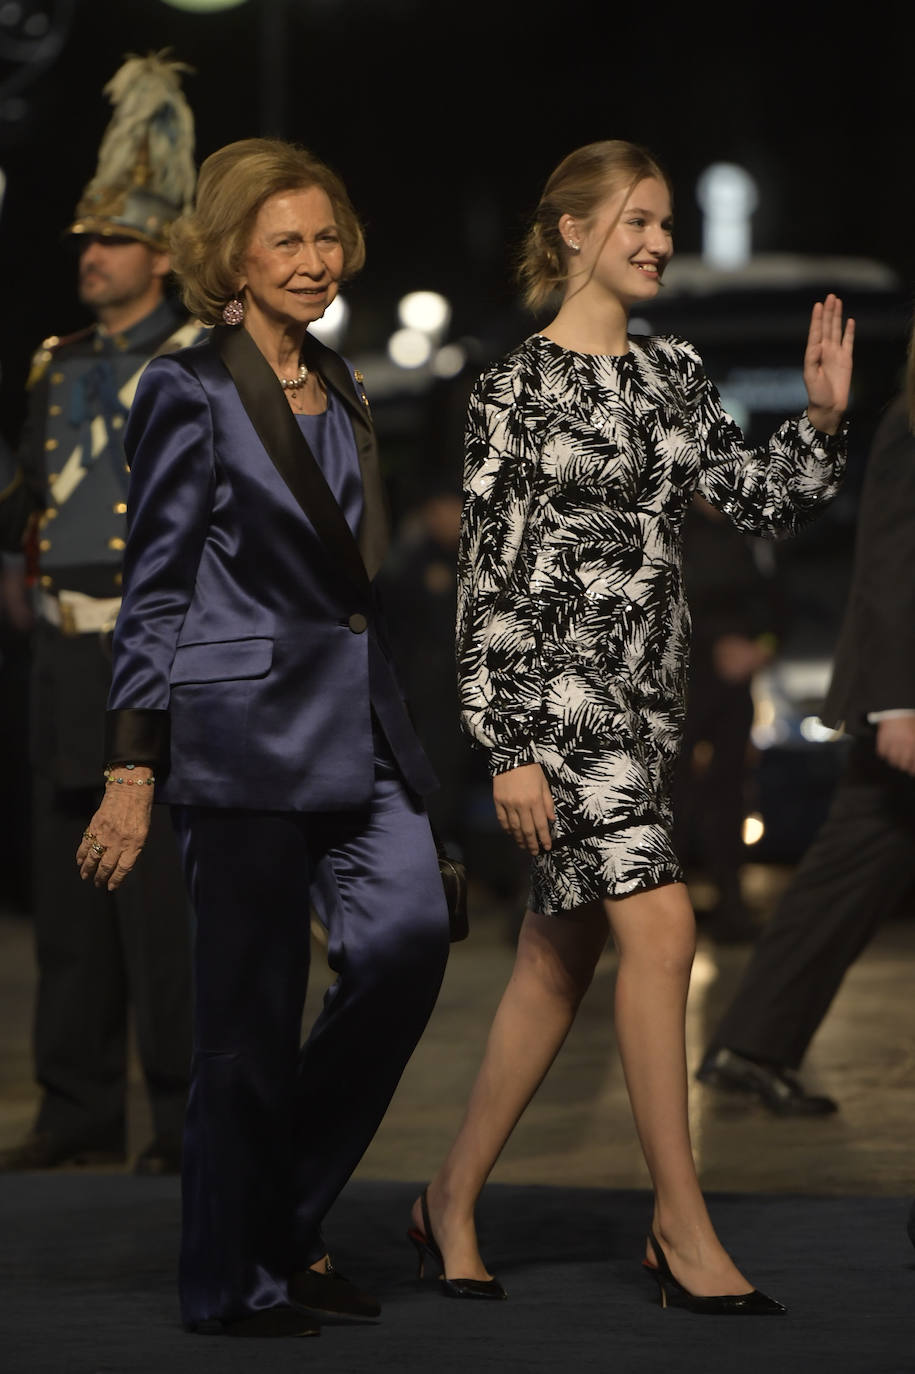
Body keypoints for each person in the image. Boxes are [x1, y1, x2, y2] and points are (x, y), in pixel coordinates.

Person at [408, 140, 853, 1316]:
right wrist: (505, 746)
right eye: (639, 221)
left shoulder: (674, 374)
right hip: (556, 712)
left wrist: (815, 419)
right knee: (661, 932)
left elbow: (757, 502)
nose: (659, 241)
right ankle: (681, 1222)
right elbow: (488, 582)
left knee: (559, 964)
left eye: (665, 223)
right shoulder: (509, 390)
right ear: (572, 231)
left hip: (646, 710)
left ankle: (448, 1196)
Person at [75, 137, 450, 1339]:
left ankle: (282, 1216)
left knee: (407, 944)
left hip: (356, 730)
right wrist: (135, 763)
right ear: (230, 253)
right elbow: (158, 586)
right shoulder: (186, 388)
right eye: (284, 239)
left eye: (326, 236)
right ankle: (230, 1280)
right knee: (244, 1025)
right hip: (236, 738)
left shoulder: (338, 379)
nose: (313, 259)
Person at [0, 54, 201, 1175]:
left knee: (160, 902)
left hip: (150, 647)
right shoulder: (54, 361)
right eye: (84, 241)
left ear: (162, 256)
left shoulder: (195, 360)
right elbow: (29, 498)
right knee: (68, 901)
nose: (91, 257)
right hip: (60, 653)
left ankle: (177, 1114)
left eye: (112, 240)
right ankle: (75, 1106)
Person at [697, 336, 915, 1116]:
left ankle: (749, 1047)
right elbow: (892, 562)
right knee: (846, 864)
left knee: (846, 870)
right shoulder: (908, 422)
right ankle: (747, 1046)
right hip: (906, 705)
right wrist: (895, 702)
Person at [671, 493, 782, 944]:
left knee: (730, 793)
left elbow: (780, 607)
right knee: (669, 794)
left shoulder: (752, 532)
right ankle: (662, 903)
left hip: (733, 687)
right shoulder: (669, 528)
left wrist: (760, 649)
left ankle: (729, 902)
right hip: (677, 684)